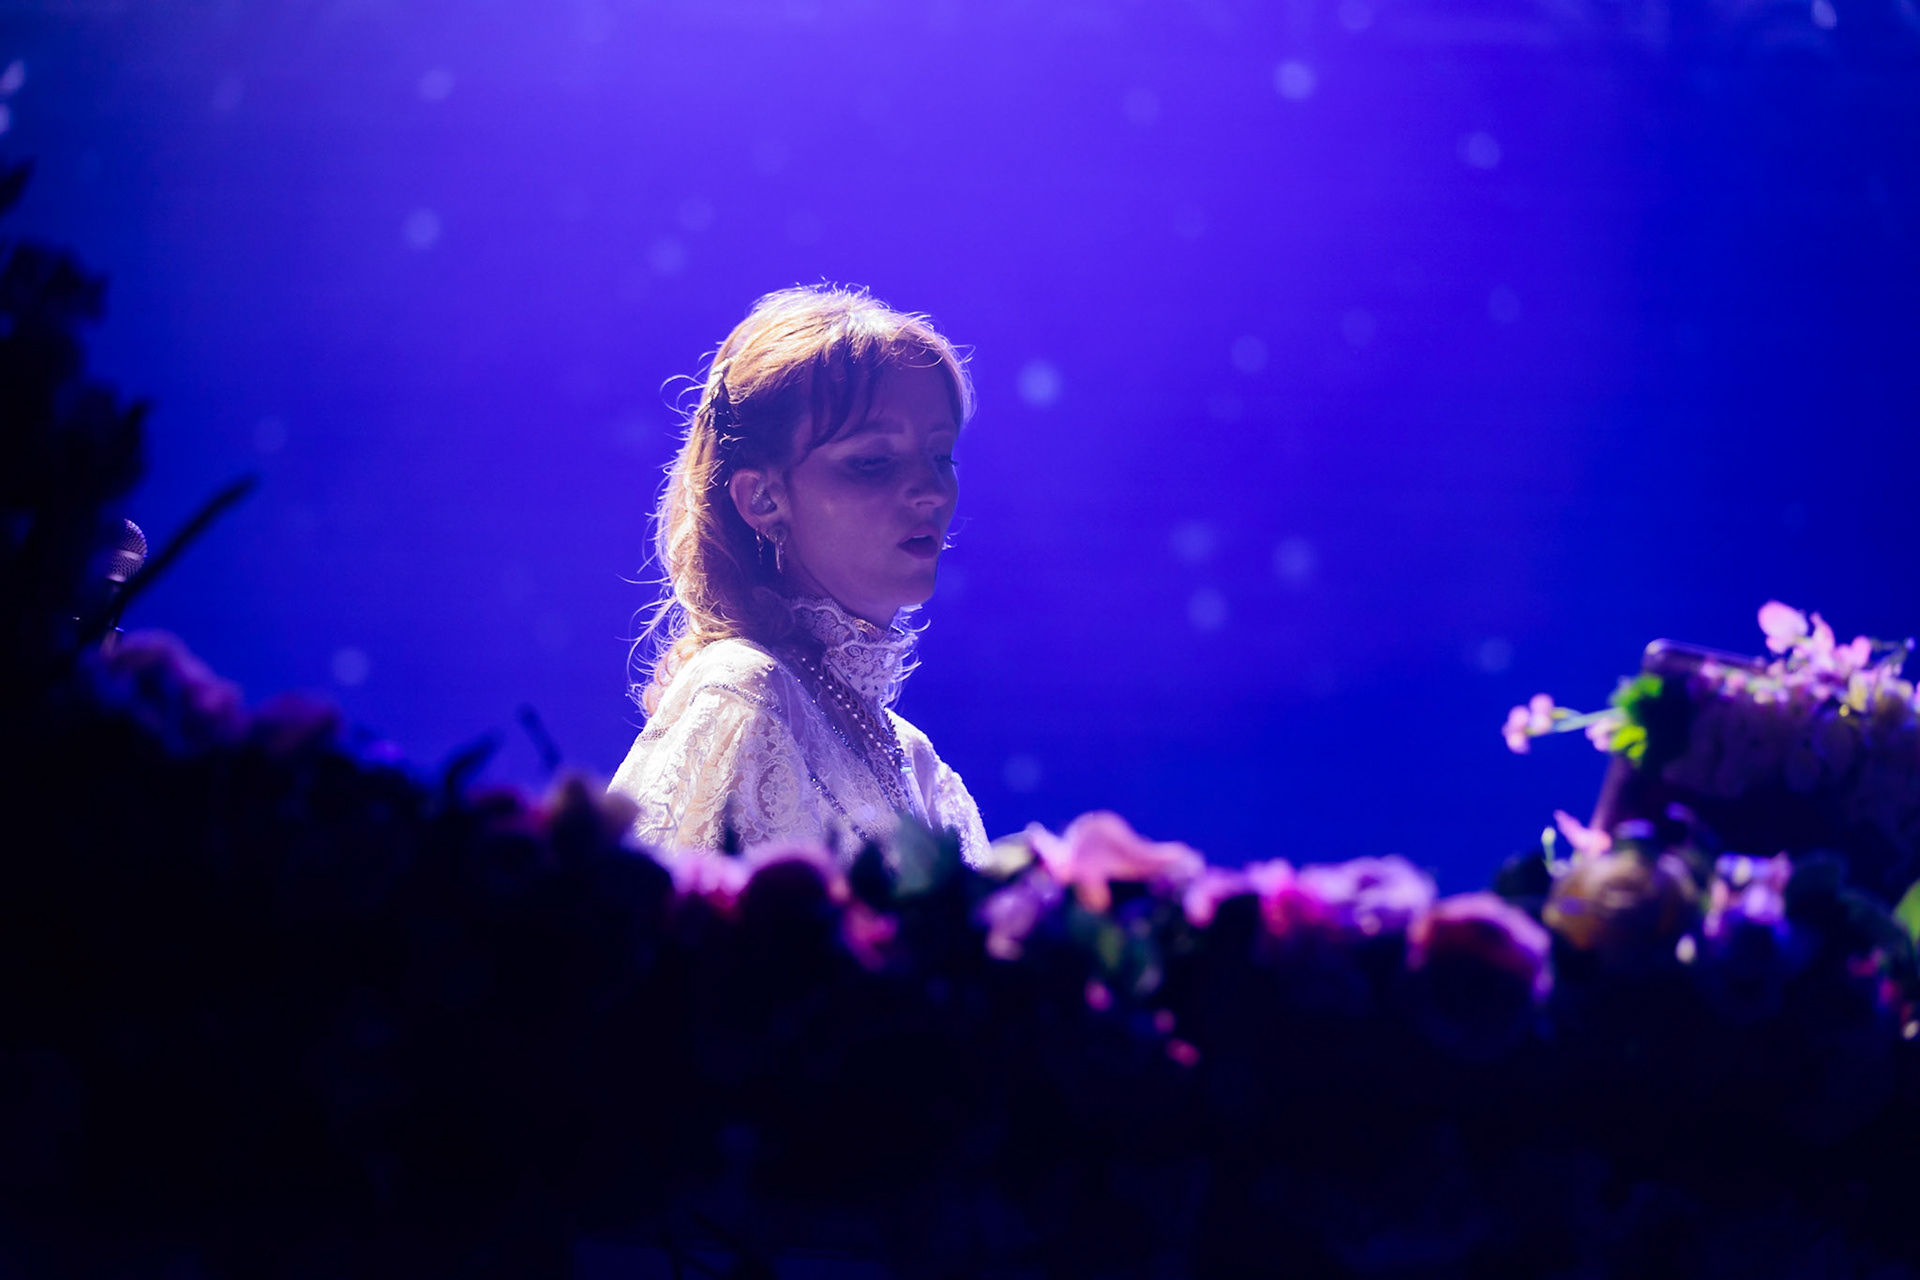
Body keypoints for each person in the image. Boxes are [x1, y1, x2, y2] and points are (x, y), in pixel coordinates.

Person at [609, 285, 989, 866]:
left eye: (942, 457)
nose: (932, 491)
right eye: (873, 461)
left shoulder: (915, 759)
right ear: (762, 497)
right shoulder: (747, 692)